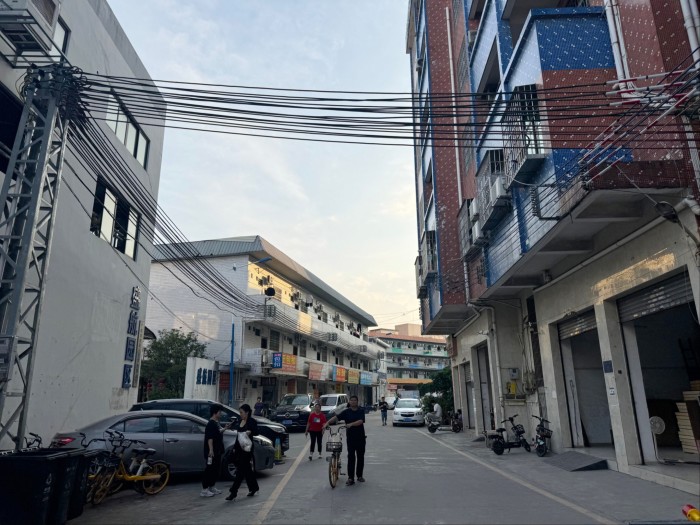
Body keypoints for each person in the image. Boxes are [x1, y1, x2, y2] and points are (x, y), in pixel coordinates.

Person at [324, 395, 365, 486]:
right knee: (351, 457)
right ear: (349, 402)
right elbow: (336, 417)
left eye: (355, 400)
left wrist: (351, 424)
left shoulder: (360, 410)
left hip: (361, 437)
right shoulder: (346, 412)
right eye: (351, 400)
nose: (353, 402)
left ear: (357, 402)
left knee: (360, 457)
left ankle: (359, 476)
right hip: (350, 438)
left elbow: (361, 421)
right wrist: (327, 422)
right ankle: (350, 478)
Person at [226, 403, 260, 501]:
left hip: (247, 450)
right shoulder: (240, 421)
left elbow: (257, 432)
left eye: (241, 412)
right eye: (240, 412)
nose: (240, 414)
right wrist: (234, 448)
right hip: (239, 449)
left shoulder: (252, 421)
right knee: (247, 470)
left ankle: (233, 491)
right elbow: (238, 436)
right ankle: (254, 487)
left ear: (247, 413)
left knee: (241, 471)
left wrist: (251, 432)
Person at [201, 404, 225, 497]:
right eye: (219, 412)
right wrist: (211, 450)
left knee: (215, 469)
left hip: (217, 450)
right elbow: (210, 438)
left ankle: (212, 486)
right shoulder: (211, 423)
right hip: (212, 451)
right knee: (209, 469)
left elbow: (218, 432)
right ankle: (204, 489)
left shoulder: (216, 422)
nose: (221, 413)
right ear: (215, 412)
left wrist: (225, 428)